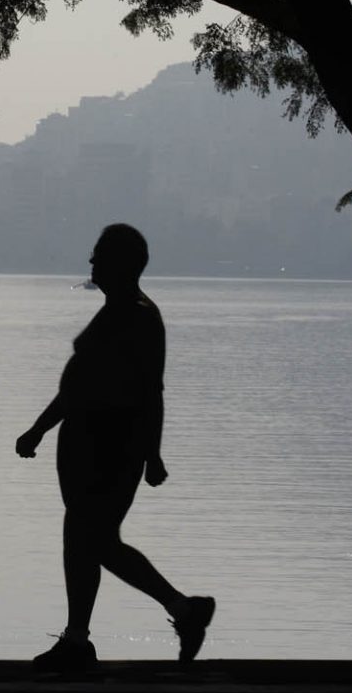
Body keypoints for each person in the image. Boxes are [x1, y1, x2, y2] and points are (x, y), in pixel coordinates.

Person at [17, 223, 214, 669]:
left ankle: (178, 611)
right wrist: (40, 428)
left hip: (112, 445)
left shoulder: (140, 316)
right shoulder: (115, 311)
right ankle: (83, 637)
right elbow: (76, 386)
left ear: (120, 264)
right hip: (84, 442)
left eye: (98, 256)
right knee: (83, 540)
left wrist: (152, 452)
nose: (91, 264)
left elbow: (150, 390)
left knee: (94, 541)